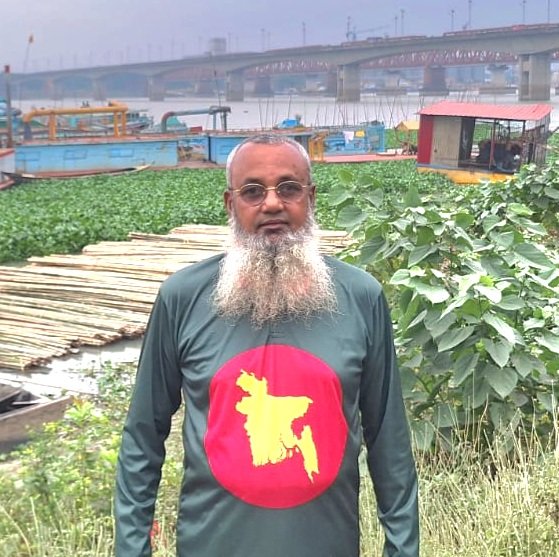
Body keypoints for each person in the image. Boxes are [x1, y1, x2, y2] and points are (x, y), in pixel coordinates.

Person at [114, 134, 419, 557]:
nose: (272, 203)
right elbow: (143, 437)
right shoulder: (182, 298)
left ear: (311, 198)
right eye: (253, 191)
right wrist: (132, 549)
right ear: (230, 204)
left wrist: (402, 549)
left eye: (289, 188)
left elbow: (389, 441)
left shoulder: (361, 297)